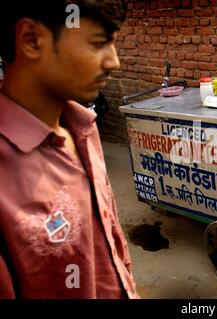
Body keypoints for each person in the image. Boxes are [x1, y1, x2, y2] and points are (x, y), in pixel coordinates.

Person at [0, 0, 140, 298]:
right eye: (98, 43)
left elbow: (112, 245)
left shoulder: (84, 127)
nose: (114, 61)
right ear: (31, 39)